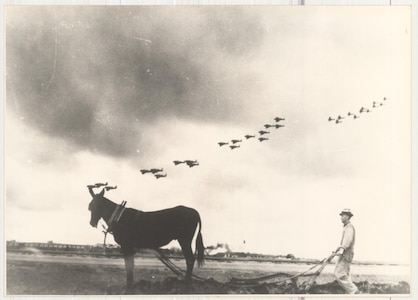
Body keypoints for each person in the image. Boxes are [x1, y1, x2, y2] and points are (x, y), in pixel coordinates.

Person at [334, 208, 359, 294]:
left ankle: (353, 291)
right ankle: (350, 293)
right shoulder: (346, 227)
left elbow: (348, 239)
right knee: (346, 274)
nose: (341, 217)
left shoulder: (349, 227)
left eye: (343, 215)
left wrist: (342, 248)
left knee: (339, 274)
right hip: (345, 253)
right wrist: (339, 248)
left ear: (348, 216)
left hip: (346, 254)